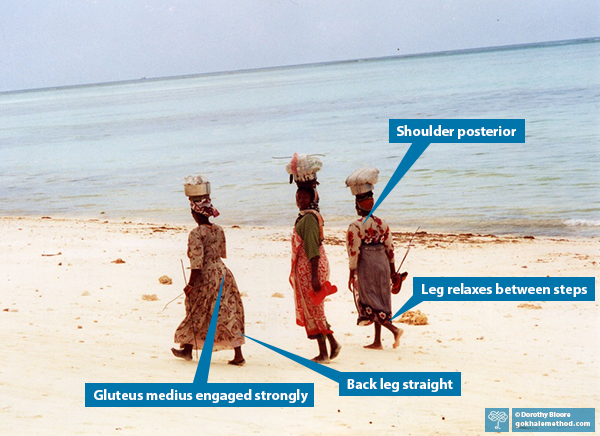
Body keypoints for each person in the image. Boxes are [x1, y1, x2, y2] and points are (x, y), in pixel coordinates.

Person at [172, 182, 245, 366]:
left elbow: (197, 264)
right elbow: (220, 253)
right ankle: (237, 353)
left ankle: (188, 349)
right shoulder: (219, 230)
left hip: (206, 276)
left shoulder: (196, 234)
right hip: (223, 274)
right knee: (227, 312)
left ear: (195, 214)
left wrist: (190, 285)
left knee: (196, 309)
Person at [345, 168, 404, 349]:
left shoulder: (355, 226)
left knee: (369, 300)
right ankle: (377, 341)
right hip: (383, 264)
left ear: (358, 205)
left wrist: (351, 272)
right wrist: (392, 271)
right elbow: (390, 249)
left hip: (367, 265)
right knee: (380, 299)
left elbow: (353, 251)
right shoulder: (383, 223)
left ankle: (394, 330)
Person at [289, 186, 341, 363]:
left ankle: (323, 353)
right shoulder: (305, 217)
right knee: (315, 308)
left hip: (312, 267)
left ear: (312, 199)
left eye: (304, 197)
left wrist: (314, 277)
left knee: (314, 309)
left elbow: (312, 248)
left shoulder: (310, 218)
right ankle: (333, 344)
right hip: (308, 267)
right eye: (298, 196)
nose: (300, 200)